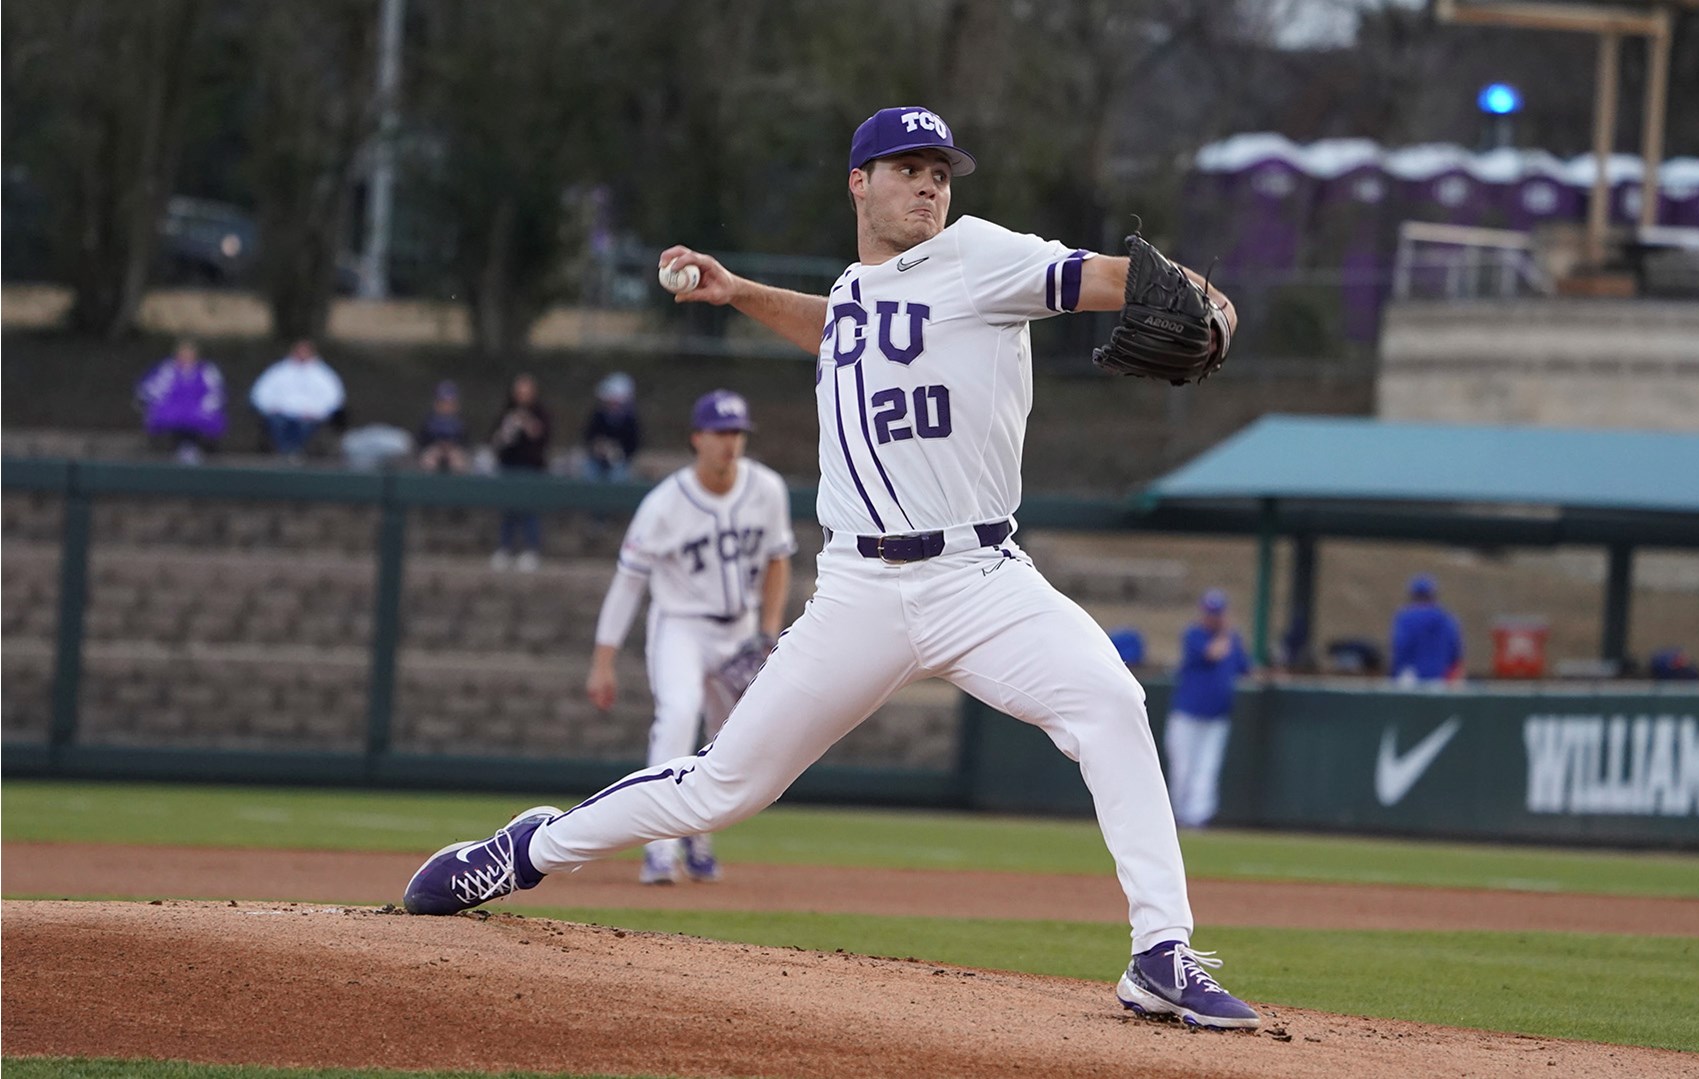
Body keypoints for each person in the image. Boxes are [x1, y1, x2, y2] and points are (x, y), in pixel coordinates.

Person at [403, 105, 1260, 1030]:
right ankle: (529, 849)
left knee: (1113, 705)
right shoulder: (858, 289)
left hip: (983, 579)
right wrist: (737, 293)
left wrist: (1208, 299)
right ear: (859, 182)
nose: (931, 183)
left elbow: (1103, 278)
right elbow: (844, 327)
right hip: (859, 591)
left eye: (940, 169)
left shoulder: (981, 255)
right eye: (908, 167)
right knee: (724, 786)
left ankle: (1161, 951)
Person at [585, 389, 795, 885]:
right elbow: (629, 582)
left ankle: (697, 837)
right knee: (678, 717)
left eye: (738, 433)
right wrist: (603, 659)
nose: (730, 442)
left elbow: (778, 560)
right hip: (680, 625)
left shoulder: (766, 488)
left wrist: (767, 631)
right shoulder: (664, 504)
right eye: (721, 433)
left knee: (728, 743)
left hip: (739, 629)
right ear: (696, 438)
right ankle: (659, 849)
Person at [1164, 589, 1251, 830]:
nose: (1213, 617)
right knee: (1182, 768)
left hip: (1217, 716)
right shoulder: (1194, 635)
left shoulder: (1233, 640)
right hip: (1187, 713)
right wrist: (1226, 632)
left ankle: (1197, 818)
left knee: (1207, 768)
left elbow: (1246, 668)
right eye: (1211, 613)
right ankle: (1176, 817)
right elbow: (1213, 654)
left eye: (1218, 613)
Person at [489, 374, 551, 571]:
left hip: (531, 469)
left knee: (529, 510)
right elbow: (495, 441)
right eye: (519, 393)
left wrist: (528, 424)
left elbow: (542, 439)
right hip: (508, 467)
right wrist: (508, 429)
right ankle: (505, 549)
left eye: (527, 393)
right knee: (508, 510)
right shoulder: (506, 412)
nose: (522, 396)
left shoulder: (541, 413)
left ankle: (531, 551)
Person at [249, 338, 345, 460]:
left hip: (310, 415)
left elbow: (334, 398)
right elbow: (260, 393)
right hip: (280, 413)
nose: (301, 354)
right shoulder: (278, 371)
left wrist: (317, 412)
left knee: (304, 426)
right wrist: (269, 407)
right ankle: (284, 454)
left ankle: (295, 454)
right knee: (277, 423)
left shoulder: (324, 375)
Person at [135, 338, 226, 464]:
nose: (186, 357)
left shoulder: (207, 370)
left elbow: (216, 392)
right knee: (172, 416)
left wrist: (206, 406)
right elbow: (152, 389)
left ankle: (191, 447)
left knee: (199, 418)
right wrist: (154, 402)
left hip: (198, 408)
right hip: (171, 407)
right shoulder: (167, 369)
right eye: (183, 354)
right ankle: (178, 448)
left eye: (189, 354)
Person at [1389, 574, 1464, 684]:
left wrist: (1395, 673)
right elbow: (1456, 653)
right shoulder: (1447, 618)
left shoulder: (1405, 618)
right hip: (1441, 680)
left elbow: (1400, 647)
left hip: (1410, 679)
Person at [582, 372, 642, 483]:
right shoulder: (599, 415)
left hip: (620, 463)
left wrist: (617, 452)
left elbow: (633, 445)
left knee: (618, 474)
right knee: (588, 470)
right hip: (596, 461)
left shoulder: (630, 420)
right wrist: (598, 447)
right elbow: (589, 437)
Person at [417, 380, 471, 474]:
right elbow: (421, 442)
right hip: (433, 450)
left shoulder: (460, 423)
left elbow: (465, 442)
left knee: (458, 462)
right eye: (443, 402)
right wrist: (438, 446)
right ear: (436, 403)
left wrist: (451, 447)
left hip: (454, 451)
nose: (446, 406)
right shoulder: (428, 421)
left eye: (450, 403)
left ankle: (457, 487)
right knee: (429, 461)